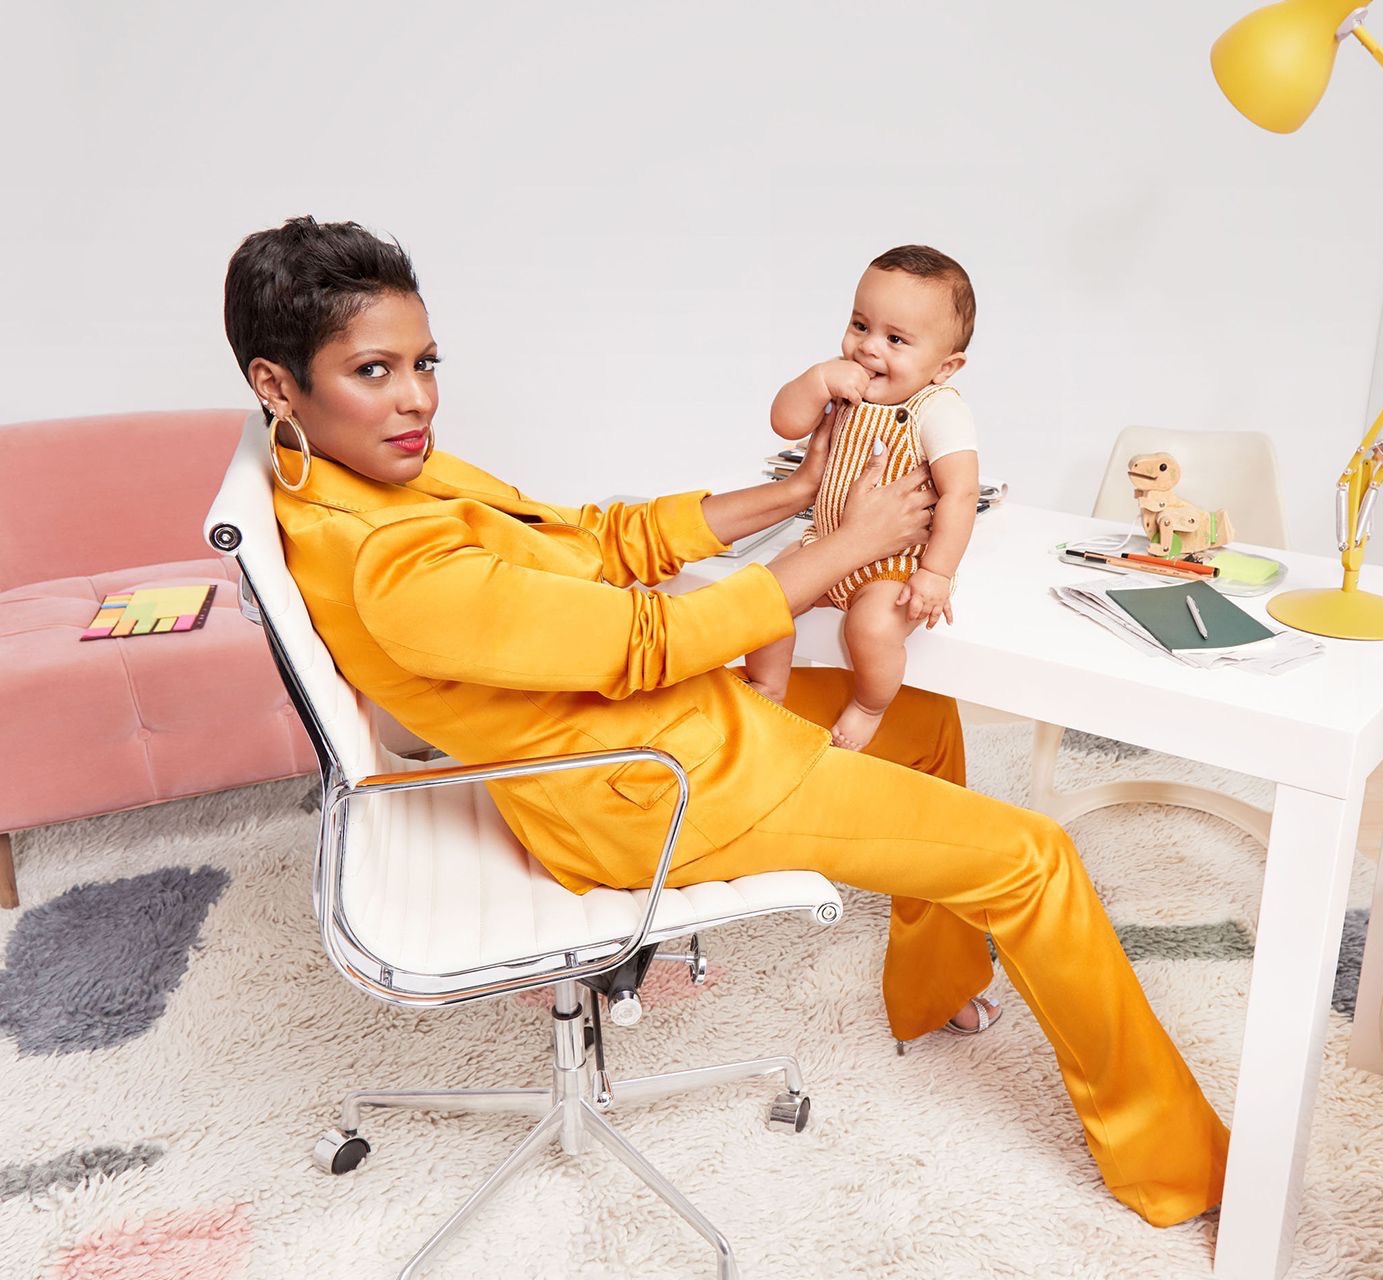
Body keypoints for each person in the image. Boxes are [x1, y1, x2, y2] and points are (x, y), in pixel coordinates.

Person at [224, 216, 1229, 1229]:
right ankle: (1175, 1167)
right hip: (646, 787)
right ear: (278, 385)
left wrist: (798, 492)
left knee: (922, 720)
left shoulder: (383, 472)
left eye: (424, 362)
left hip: (658, 724)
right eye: (374, 370)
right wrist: (851, 544)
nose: (417, 398)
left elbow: (600, 540)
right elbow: (654, 637)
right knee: (1035, 857)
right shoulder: (390, 560)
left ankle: (932, 989)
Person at [744, 246, 980, 753]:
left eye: (895, 339)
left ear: (946, 366)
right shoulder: (841, 382)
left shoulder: (937, 410)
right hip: (826, 544)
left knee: (871, 628)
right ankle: (768, 685)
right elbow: (786, 423)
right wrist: (816, 381)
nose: (868, 347)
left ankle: (870, 704)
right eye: (860, 325)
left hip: (892, 565)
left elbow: (961, 493)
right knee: (762, 598)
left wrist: (935, 574)